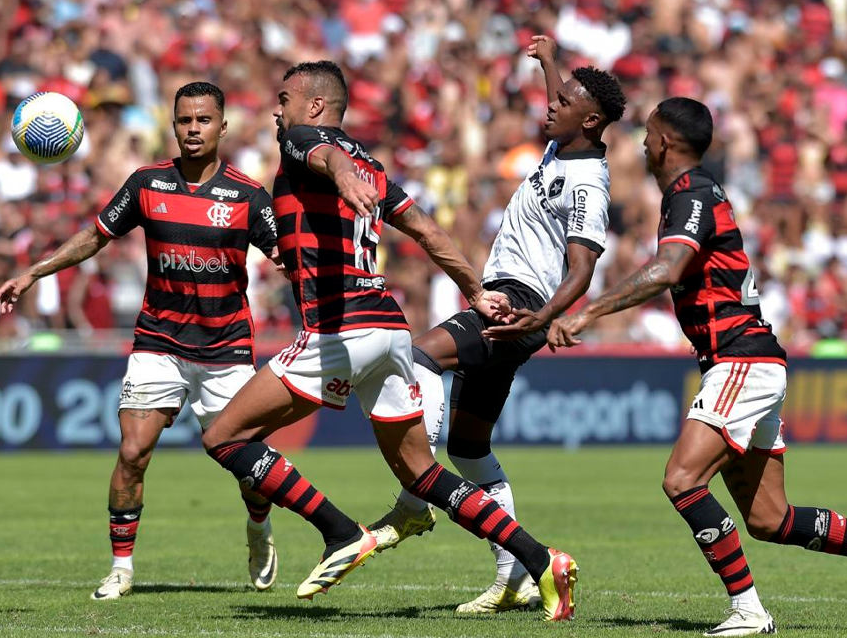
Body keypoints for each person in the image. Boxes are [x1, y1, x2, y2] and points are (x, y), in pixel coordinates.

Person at [200, 60, 578, 621]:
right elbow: (426, 230)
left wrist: (340, 175)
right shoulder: (372, 164)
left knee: (225, 436)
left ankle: (339, 532)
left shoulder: (305, 143)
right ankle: (542, 558)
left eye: (284, 99)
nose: (276, 111)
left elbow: (322, 154)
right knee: (421, 474)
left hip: (341, 330)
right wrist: (475, 292)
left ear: (315, 106)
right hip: (390, 329)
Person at [547, 97, 847, 636]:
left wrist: (590, 311)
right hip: (748, 361)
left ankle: (749, 611)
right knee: (768, 518)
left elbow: (668, 267)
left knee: (682, 480)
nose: (642, 142)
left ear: (665, 142)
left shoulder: (693, 193)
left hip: (741, 360)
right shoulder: (688, 195)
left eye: (649, 133)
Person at [365, 35, 625, 614]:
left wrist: (546, 315)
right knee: (470, 443)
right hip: (517, 302)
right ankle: (515, 579)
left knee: (419, 357)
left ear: (591, 119)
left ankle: (415, 495)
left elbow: (583, 270)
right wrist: (551, 60)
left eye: (565, 101)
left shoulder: (587, 183)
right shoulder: (565, 146)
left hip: (518, 301)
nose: (550, 104)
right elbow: (565, 96)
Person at [0, 82, 282, 600]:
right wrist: (34, 272)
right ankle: (121, 567)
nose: (193, 129)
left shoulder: (247, 195)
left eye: (203, 120)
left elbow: (289, 257)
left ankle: (259, 527)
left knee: (246, 462)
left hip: (226, 347)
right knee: (132, 453)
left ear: (222, 125)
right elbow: (95, 236)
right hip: (159, 341)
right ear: (172, 126)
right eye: (184, 121)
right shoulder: (147, 183)